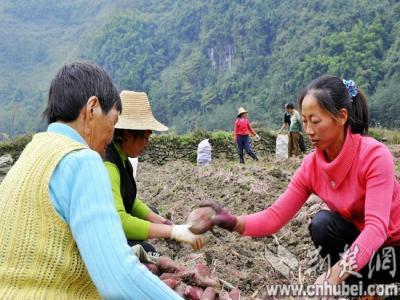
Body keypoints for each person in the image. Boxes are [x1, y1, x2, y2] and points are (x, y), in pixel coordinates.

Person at [197, 75, 400, 294]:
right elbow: (274, 217)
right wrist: (230, 221)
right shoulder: (311, 167)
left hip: (393, 250)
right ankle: (361, 292)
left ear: (341, 117)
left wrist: (335, 274)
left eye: (315, 121)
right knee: (323, 225)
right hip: (364, 251)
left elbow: (377, 229)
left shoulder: (374, 156)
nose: (309, 130)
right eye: (304, 121)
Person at [0, 63, 182, 299]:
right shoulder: (82, 160)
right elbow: (118, 278)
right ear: (93, 108)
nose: (112, 134)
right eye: (113, 122)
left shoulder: (32, 152)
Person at [104, 90, 204, 253]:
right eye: (145, 137)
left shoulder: (122, 158)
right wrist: (173, 231)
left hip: (113, 227)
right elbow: (119, 221)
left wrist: (165, 224)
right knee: (148, 251)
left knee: (153, 213)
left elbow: (130, 201)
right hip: (104, 237)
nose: (146, 144)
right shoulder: (109, 166)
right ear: (128, 134)